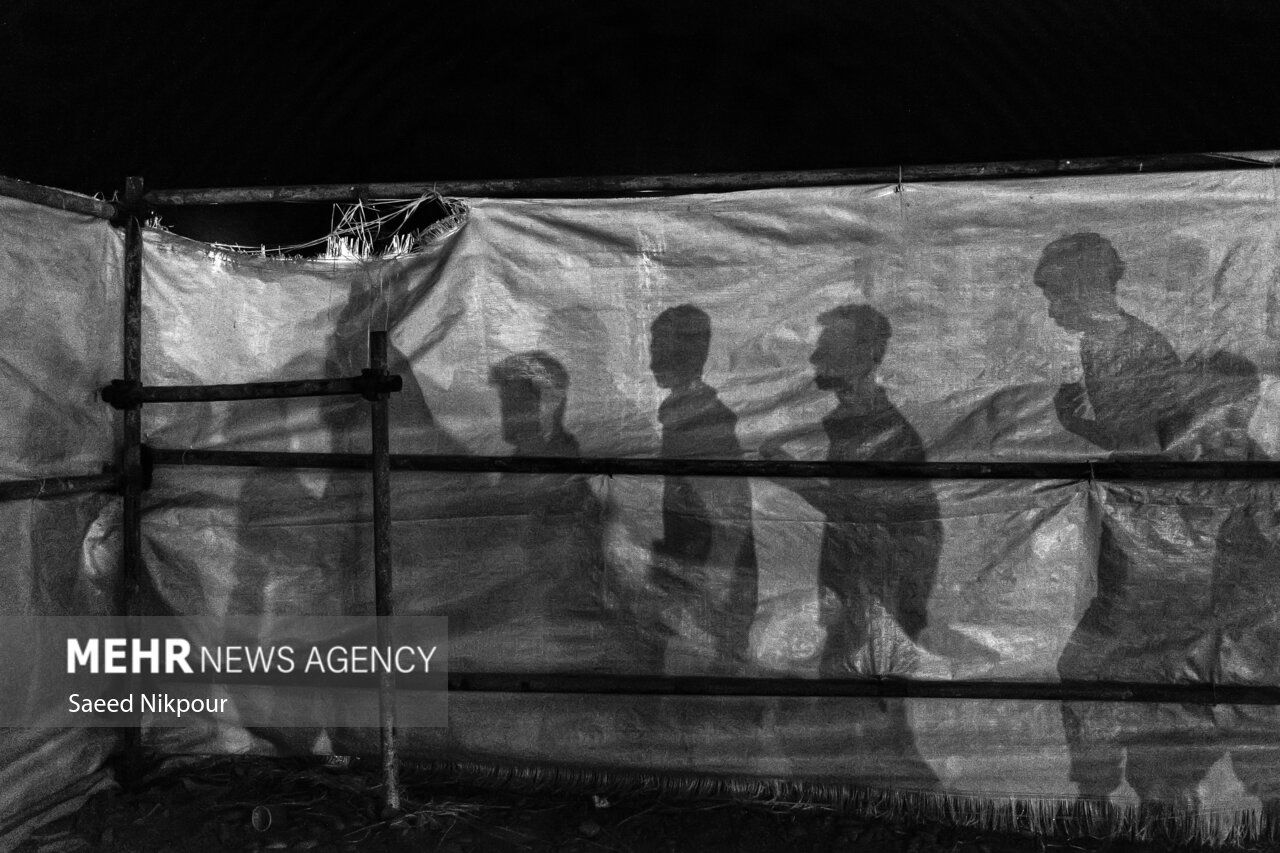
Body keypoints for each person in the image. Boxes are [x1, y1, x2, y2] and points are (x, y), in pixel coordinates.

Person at [761, 304, 940, 674]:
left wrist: (795, 479)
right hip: (850, 599)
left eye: (831, 346)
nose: (815, 356)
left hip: (875, 605)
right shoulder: (850, 425)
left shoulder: (886, 434)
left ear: (869, 355)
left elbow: (866, 512)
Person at [647, 305, 758, 675]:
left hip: (709, 592)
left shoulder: (703, 422)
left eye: (662, 348)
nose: (652, 360)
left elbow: (730, 520)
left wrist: (706, 596)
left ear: (691, 353)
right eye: (653, 346)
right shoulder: (682, 415)